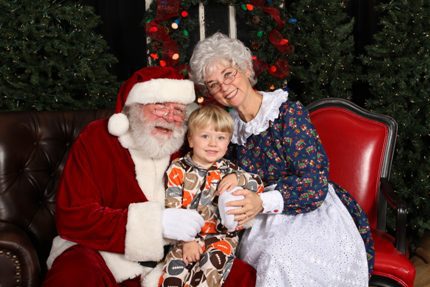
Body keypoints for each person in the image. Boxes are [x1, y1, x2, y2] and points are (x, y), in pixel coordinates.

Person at [189, 32, 374, 286]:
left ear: (244, 68)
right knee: (266, 258)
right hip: (261, 220)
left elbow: (315, 182)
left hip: (309, 209)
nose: (224, 87)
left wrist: (261, 201)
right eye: (213, 84)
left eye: (228, 74)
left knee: (282, 257)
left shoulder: (286, 113)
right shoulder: (226, 129)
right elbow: (215, 173)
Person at [42, 66, 254, 287]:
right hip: (105, 254)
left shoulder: (188, 145)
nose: (170, 117)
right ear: (135, 107)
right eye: (160, 106)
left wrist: (240, 194)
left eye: (178, 110)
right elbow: (74, 217)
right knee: (74, 272)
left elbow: (217, 183)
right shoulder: (97, 139)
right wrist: (157, 224)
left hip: (174, 256)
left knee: (240, 275)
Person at [158, 105, 264, 287]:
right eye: (205, 136)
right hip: (184, 237)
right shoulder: (178, 168)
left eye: (221, 138)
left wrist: (238, 178)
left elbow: (258, 183)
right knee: (172, 278)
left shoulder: (230, 170)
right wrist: (187, 240)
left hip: (221, 238)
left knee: (209, 273)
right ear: (190, 140)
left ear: (228, 142)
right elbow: (173, 206)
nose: (213, 143)